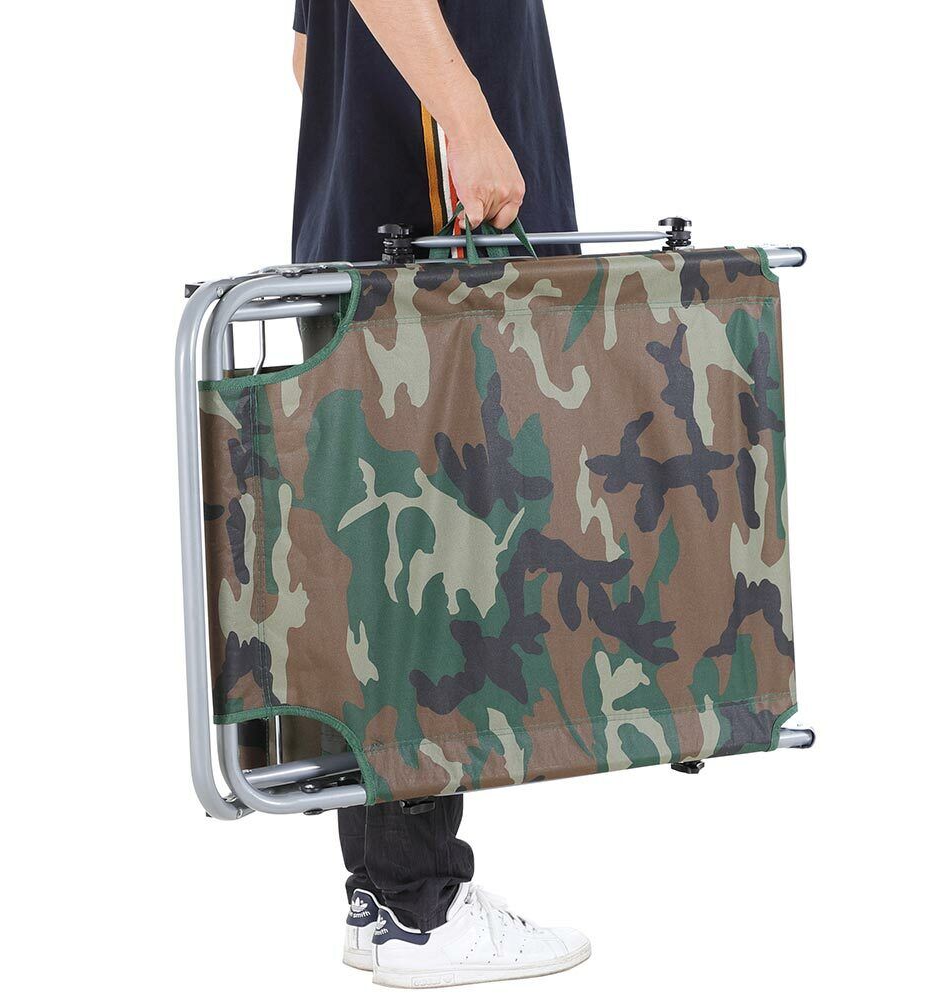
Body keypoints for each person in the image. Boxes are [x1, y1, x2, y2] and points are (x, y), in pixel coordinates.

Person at [291, 1, 589, 988]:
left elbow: (307, 58)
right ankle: (417, 908)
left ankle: (390, 896)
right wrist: (467, 122)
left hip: (381, 229)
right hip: (431, 234)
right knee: (424, 581)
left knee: (402, 577)